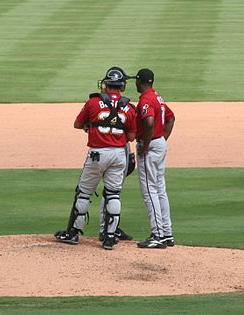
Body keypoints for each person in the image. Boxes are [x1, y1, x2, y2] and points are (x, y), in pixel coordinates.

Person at [54, 66, 137, 250]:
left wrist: (91, 127)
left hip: (97, 154)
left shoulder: (93, 103)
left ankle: (73, 233)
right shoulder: (130, 107)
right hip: (118, 156)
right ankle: (109, 237)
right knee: (113, 194)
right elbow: (131, 137)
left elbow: (77, 124)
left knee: (84, 193)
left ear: (106, 85)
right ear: (122, 87)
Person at [134, 69, 176, 249]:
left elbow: (149, 122)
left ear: (139, 82)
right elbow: (171, 118)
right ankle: (167, 233)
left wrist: (146, 146)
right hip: (159, 144)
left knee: (150, 191)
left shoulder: (146, 100)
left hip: (150, 147)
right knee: (160, 189)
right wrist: (161, 139)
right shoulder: (158, 98)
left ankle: (157, 235)